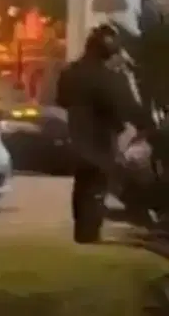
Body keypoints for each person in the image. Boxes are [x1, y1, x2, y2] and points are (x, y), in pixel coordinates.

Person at [56, 23, 154, 243]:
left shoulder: (70, 72)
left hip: (75, 137)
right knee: (96, 185)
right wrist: (148, 125)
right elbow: (127, 107)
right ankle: (90, 234)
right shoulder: (108, 77)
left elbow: (62, 101)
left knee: (82, 186)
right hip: (99, 140)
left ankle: (82, 233)